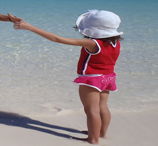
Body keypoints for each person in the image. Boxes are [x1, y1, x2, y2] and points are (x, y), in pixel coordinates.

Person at [12, 10, 123, 144]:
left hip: (92, 79)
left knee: (91, 110)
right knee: (102, 107)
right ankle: (101, 133)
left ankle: (92, 139)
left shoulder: (93, 44)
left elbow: (57, 39)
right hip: (108, 78)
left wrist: (30, 27)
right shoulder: (115, 43)